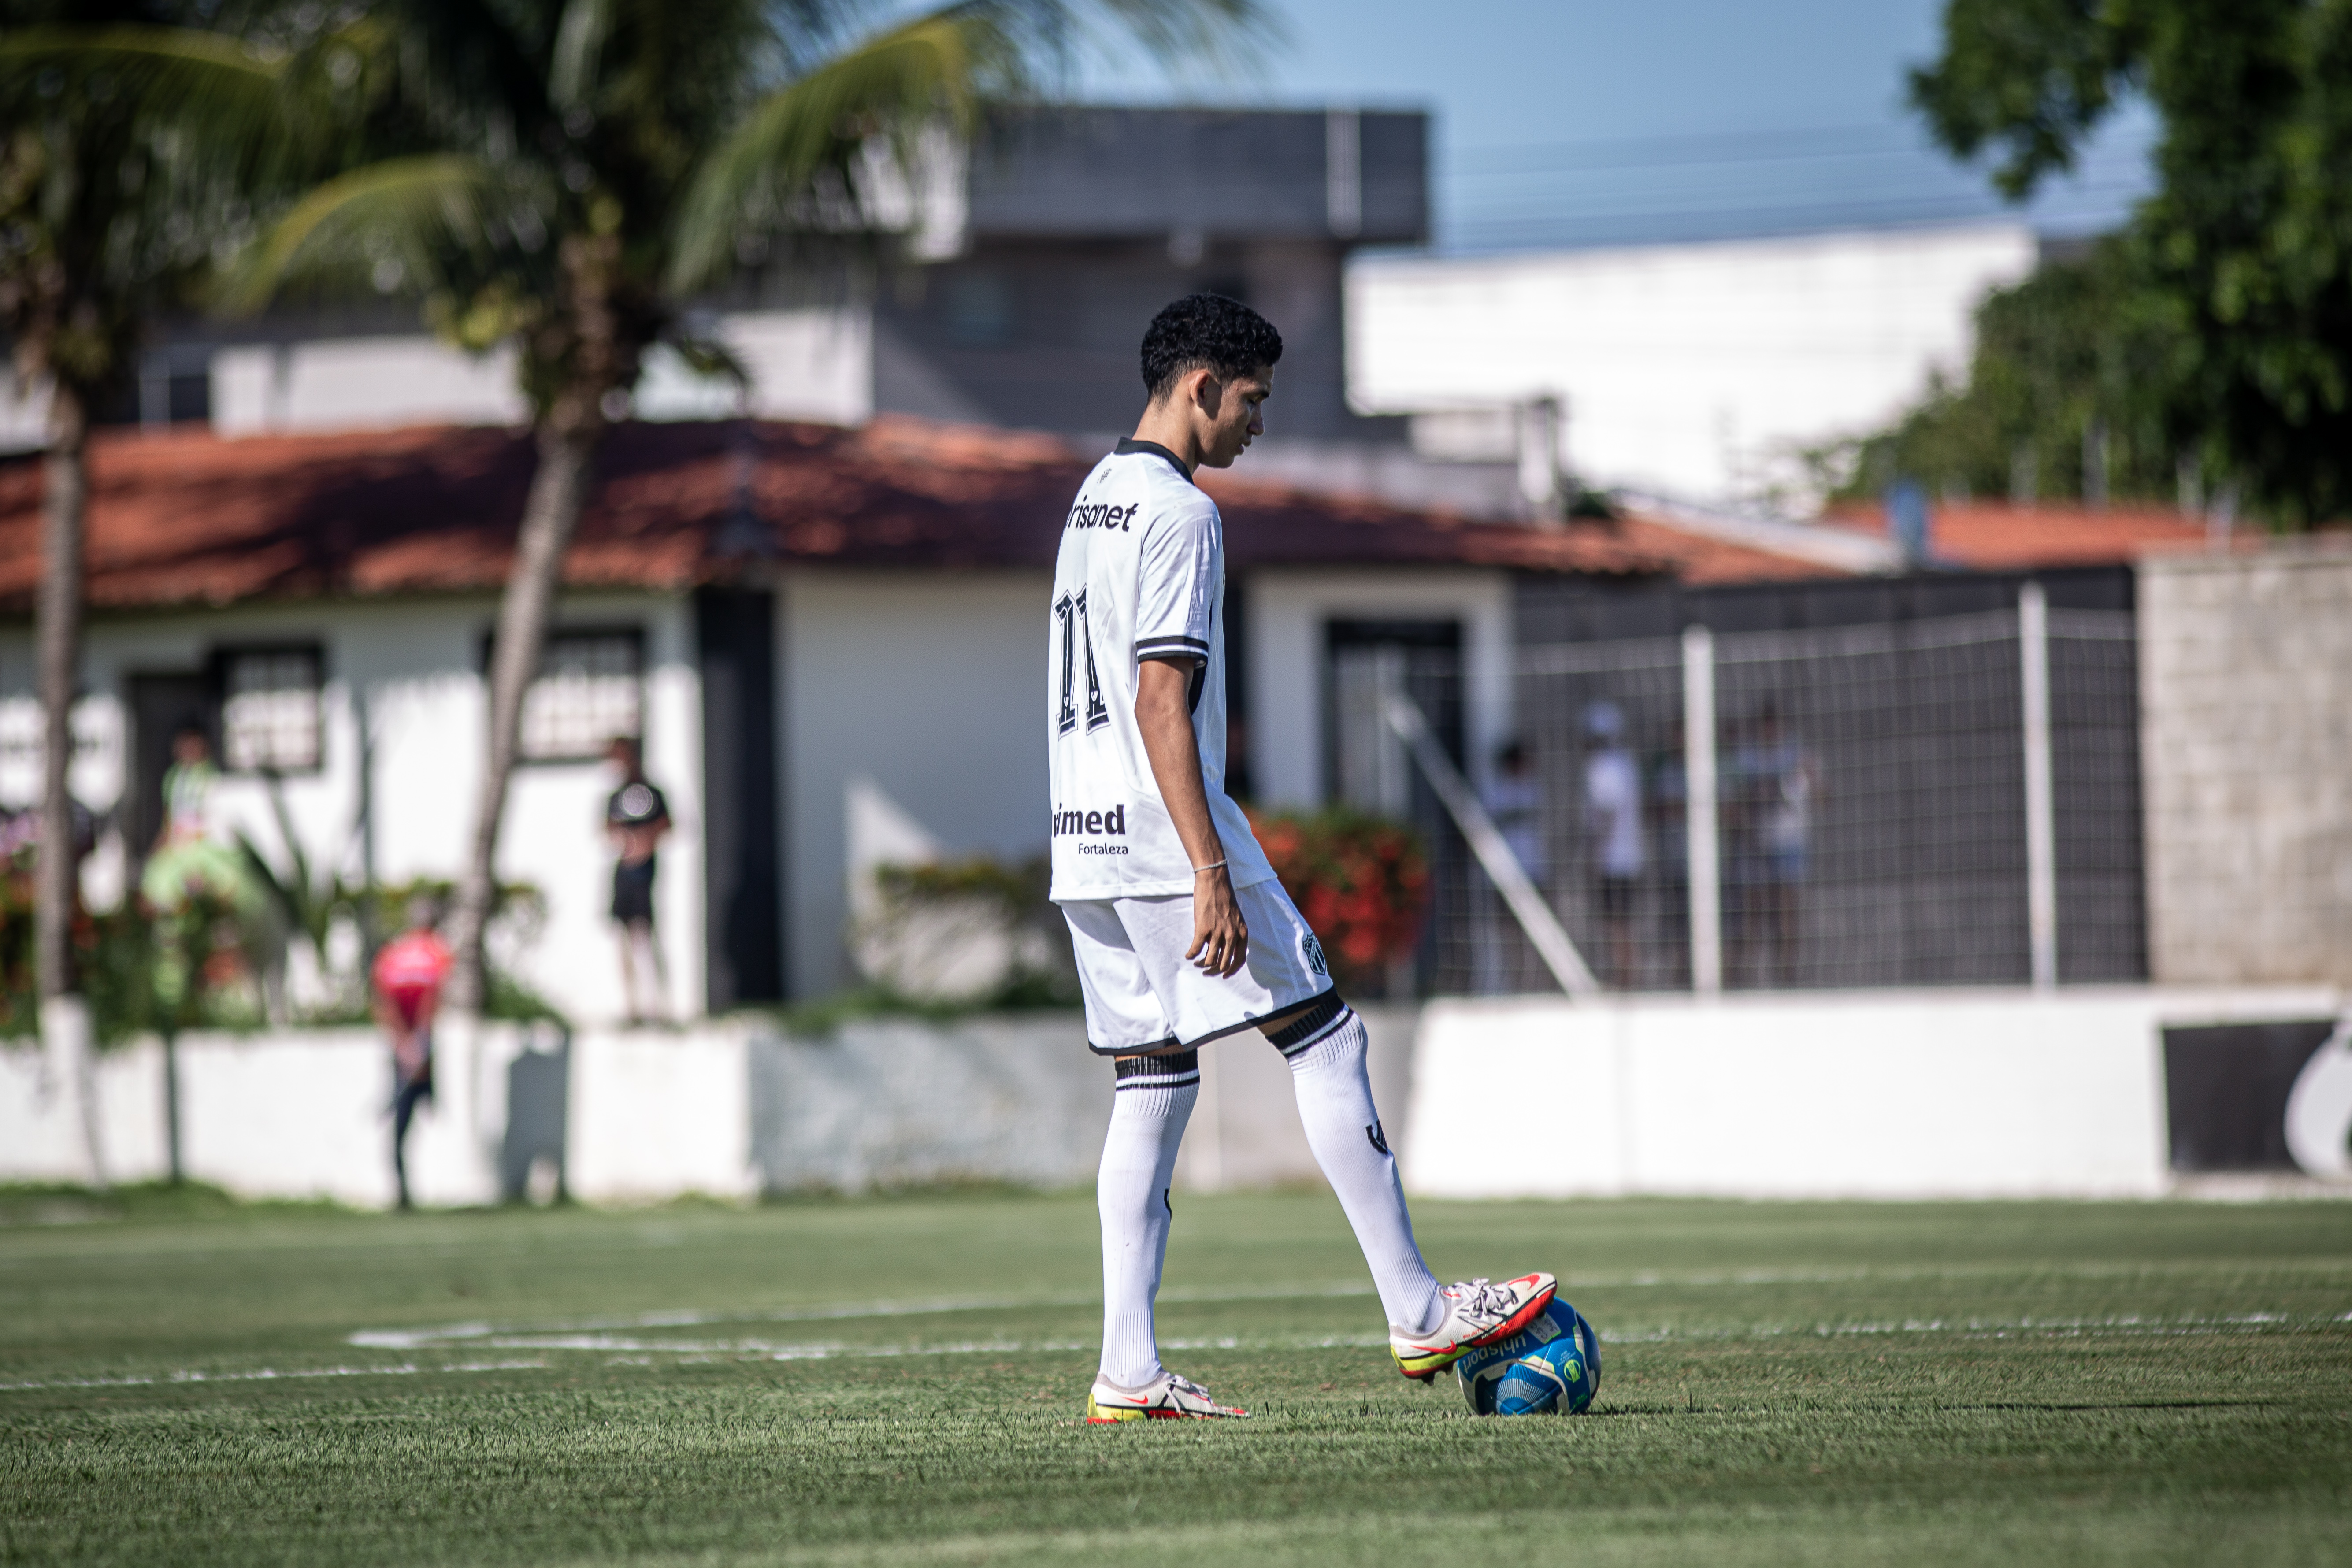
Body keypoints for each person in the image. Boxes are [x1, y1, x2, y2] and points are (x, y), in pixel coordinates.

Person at [1049, 293, 1556, 1423]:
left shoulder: (1092, 498)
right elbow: (1157, 700)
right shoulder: (1181, 513)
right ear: (1200, 387)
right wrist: (1210, 868)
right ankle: (1419, 1309)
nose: (1256, 427)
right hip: (1162, 835)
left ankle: (1127, 1369)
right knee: (1328, 1037)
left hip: (1081, 841)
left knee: (1152, 1083)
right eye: (1253, 402)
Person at [371, 896, 452, 1210]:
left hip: (403, 1047)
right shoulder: (436, 952)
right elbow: (432, 999)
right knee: (407, 1115)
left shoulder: (392, 954)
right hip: (419, 1050)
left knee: (403, 1122)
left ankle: (402, 1189)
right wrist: (417, 1042)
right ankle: (403, 1191)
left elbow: (382, 1001)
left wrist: (401, 1041)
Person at [603, 736, 671, 1023]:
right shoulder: (616, 796)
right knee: (623, 936)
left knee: (645, 933)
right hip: (624, 872)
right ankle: (631, 1008)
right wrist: (626, 842)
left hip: (644, 872)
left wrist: (644, 844)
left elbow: (666, 824)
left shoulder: (653, 793)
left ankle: (657, 1005)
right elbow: (608, 828)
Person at [1476, 739, 1546, 993]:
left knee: (1535, 930)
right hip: (1504, 874)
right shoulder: (1495, 790)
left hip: (1532, 869)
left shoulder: (1531, 788)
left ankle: (1533, 982)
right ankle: (1512, 983)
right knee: (1508, 932)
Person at [1582, 701, 1643, 986]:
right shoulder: (1626, 763)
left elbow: (1607, 813)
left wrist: (1596, 854)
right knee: (1624, 920)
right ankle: (1626, 974)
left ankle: (1624, 977)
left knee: (1615, 922)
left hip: (1612, 857)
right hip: (1631, 855)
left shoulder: (1602, 767)